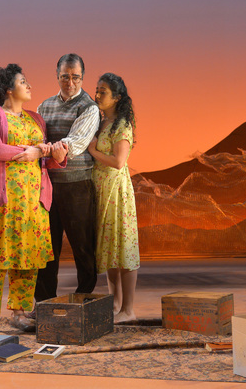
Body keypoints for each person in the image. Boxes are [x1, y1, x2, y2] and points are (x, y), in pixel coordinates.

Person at [0, 64, 67, 336]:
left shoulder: (36, 119)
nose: (29, 86)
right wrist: (31, 152)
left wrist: (53, 154)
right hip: (2, 201)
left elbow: (45, 157)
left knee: (27, 258)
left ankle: (19, 311)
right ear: (8, 89)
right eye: (23, 81)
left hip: (32, 202)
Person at [33, 54, 100, 306]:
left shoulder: (89, 107)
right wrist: (45, 147)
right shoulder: (44, 106)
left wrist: (46, 147)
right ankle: (45, 303)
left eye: (75, 77)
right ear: (57, 76)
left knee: (82, 247)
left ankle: (84, 300)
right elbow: (34, 136)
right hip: (48, 186)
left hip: (77, 185)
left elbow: (75, 142)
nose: (70, 82)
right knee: (47, 248)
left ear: (82, 78)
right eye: (65, 77)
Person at [88, 73, 140, 323]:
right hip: (101, 190)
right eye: (97, 90)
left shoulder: (122, 125)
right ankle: (115, 304)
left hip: (116, 192)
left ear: (117, 97)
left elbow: (119, 162)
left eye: (103, 91)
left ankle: (128, 310)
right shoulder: (100, 122)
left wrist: (93, 151)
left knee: (124, 248)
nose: (97, 95)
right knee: (110, 248)